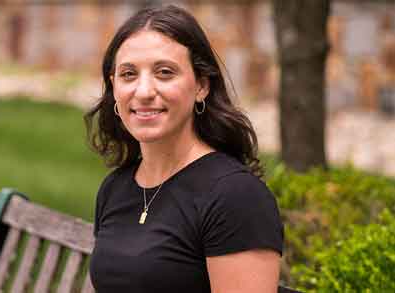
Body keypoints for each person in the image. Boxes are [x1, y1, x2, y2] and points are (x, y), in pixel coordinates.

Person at [85, 4, 283, 293]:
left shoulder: (236, 197)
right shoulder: (115, 189)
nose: (143, 91)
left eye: (164, 72)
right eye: (128, 74)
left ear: (201, 85)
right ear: (114, 87)